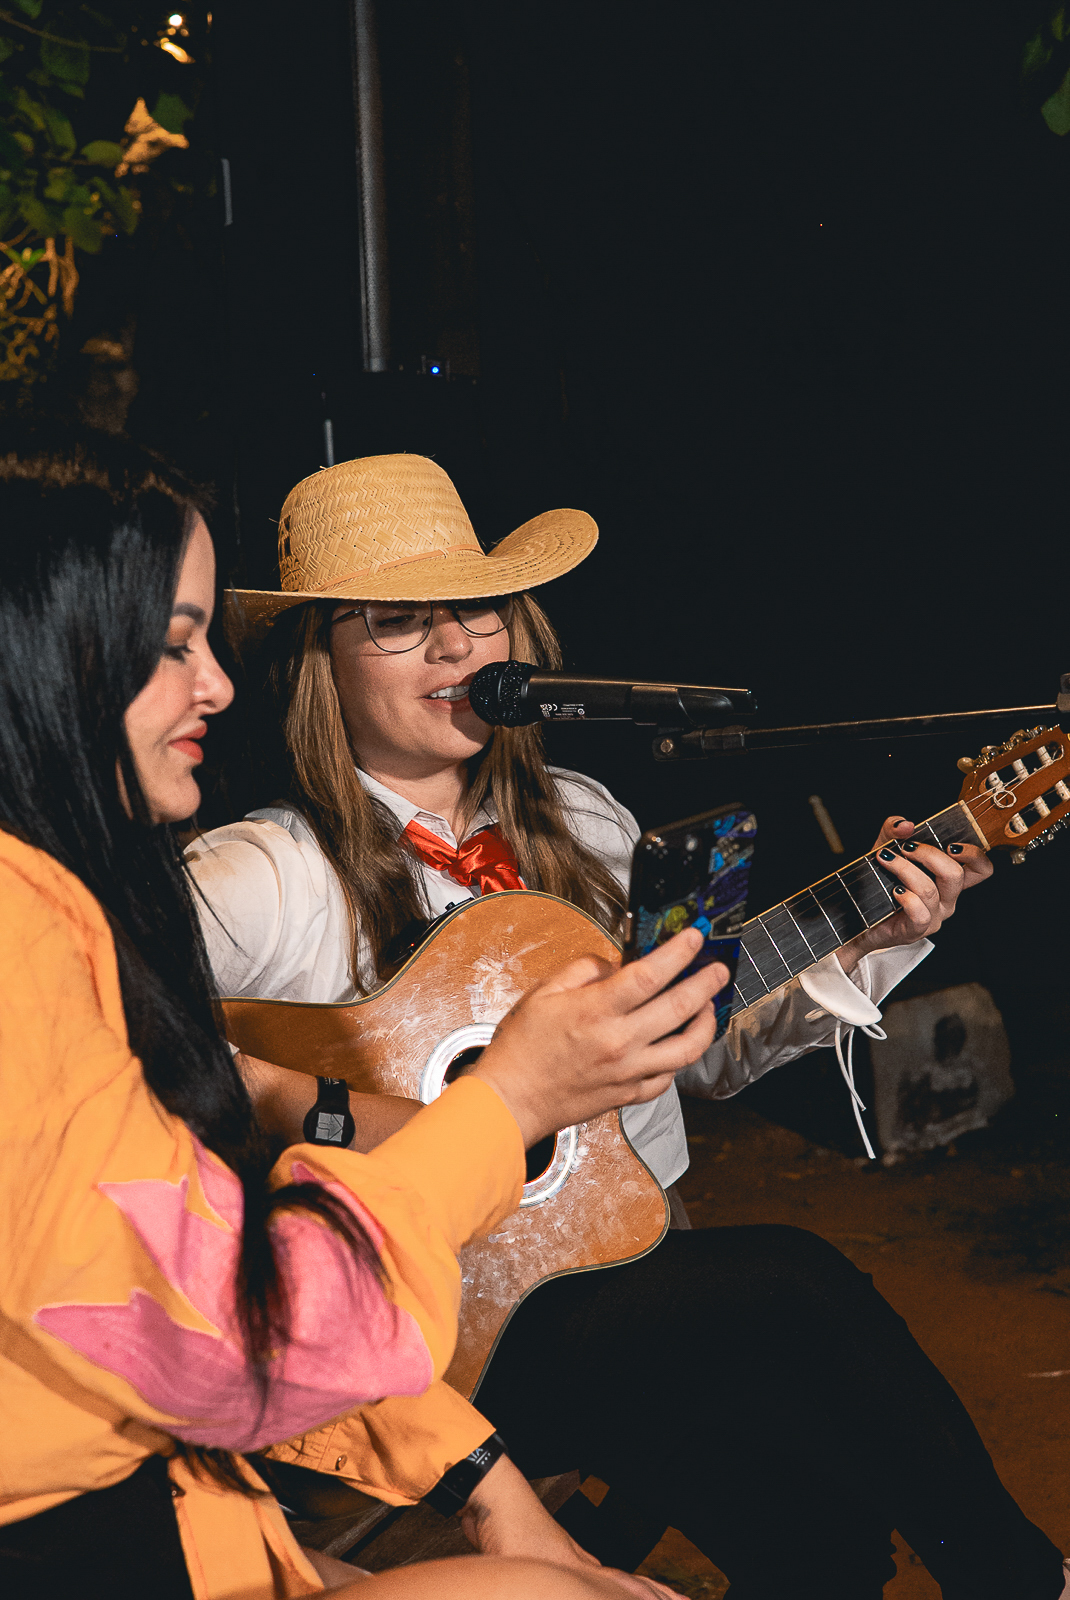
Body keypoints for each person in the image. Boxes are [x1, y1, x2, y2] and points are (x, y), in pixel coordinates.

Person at [187, 453, 1068, 1599]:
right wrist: (334, 1110)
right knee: (792, 1284)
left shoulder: (590, 827)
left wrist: (865, 936)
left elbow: (702, 1057)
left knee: (825, 1549)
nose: (454, 646)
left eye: (476, 611)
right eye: (399, 622)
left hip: (629, 1283)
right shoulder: (259, 877)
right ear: (322, 662)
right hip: (430, 1331)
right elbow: (107, 1034)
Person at [0, 427, 725, 1600]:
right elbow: (247, 1334)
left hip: (199, 1499)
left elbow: (192, 1284)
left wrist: (482, 1484)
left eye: (474, 609)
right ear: (53, 649)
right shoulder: (143, 904)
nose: (215, 684)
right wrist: (501, 1102)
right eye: (173, 643)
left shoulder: (584, 819)